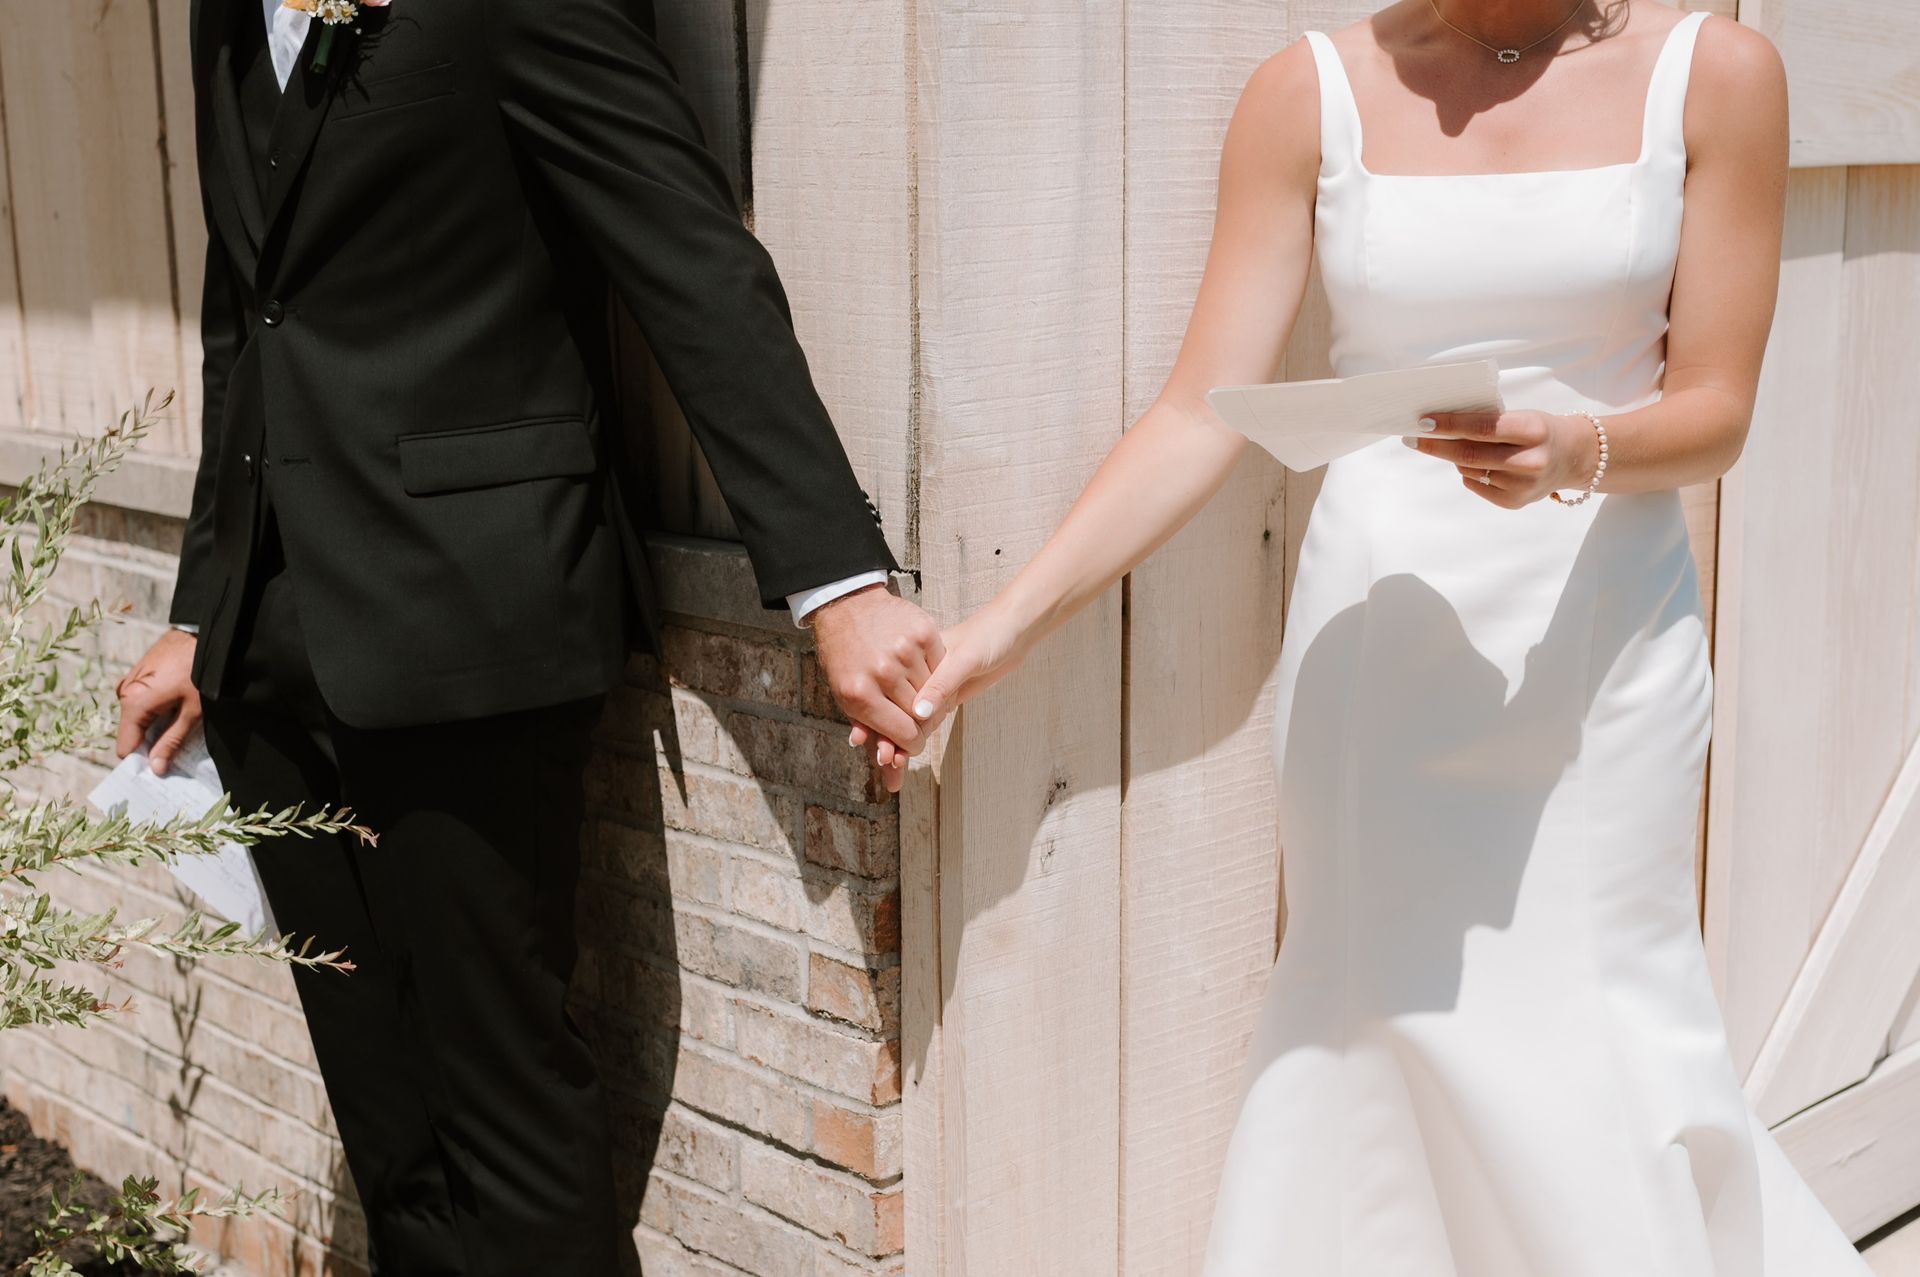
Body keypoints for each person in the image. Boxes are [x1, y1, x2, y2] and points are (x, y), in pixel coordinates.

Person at [900, 2, 1876, 1270]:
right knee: (1371, 1020)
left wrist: (1578, 445)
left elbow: (1719, 409)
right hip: (1379, 650)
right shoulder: (1307, 93)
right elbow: (1201, 410)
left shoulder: (1717, 75)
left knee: (1604, 1018)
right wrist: (1002, 625)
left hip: (1599, 641)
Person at [111, 0, 939, 1271]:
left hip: (467, 624)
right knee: (387, 1118)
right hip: (268, 652)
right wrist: (197, 608)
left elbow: (687, 256)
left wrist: (838, 580)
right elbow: (248, 315)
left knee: (504, 1101)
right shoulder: (224, 19)